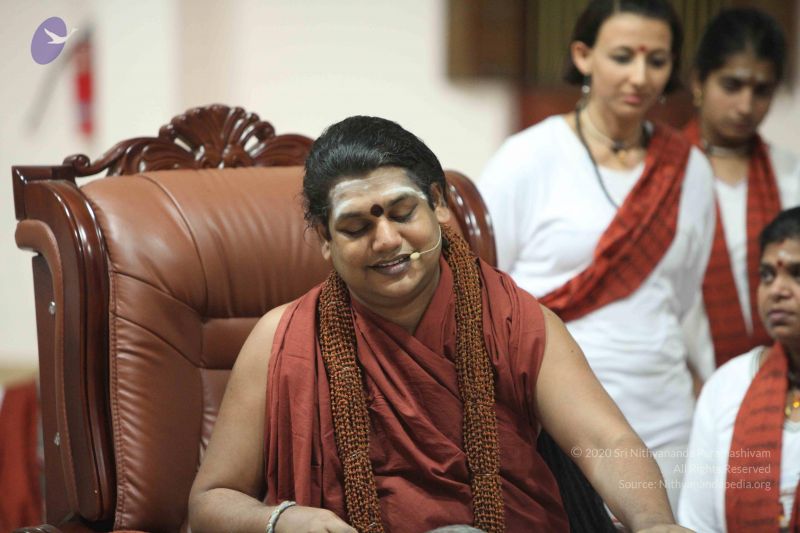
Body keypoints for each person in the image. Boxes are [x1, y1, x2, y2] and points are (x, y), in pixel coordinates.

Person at [188, 115, 690, 532]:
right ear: (324, 238)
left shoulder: (513, 320)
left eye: (403, 213)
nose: (387, 240)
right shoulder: (282, 340)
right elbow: (210, 500)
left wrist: (654, 523)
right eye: (356, 227)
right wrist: (280, 521)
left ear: (440, 204)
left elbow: (605, 444)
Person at [478, 0, 715, 509]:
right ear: (583, 56)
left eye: (657, 60)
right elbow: (484, 285)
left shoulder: (689, 168)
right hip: (554, 413)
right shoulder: (529, 157)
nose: (640, 77)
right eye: (623, 56)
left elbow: (681, 295)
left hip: (663, 411)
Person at [682, 8, 800, 377]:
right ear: (699, 81)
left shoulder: (790, 174)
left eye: (761, 90)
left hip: (784, 377)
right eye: (732, 86)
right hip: (681, 378)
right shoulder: (665, 175)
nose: (746, 106)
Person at [678, 206, 800, 532]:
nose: (777, 290)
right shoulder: (727, 388)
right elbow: (697, 524)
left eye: (797, 274)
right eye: (767, 276)